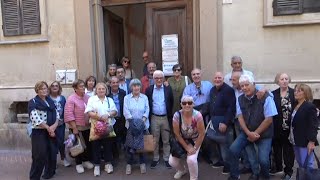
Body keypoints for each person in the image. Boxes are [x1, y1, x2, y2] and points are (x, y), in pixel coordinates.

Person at [228, 74, 278, 180]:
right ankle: (235, 176)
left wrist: (255, 133)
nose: (244, 88)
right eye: (242, 86)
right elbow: (240, 117)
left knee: (263, 160)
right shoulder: (240, 98)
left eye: (247, 85)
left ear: (254, 84)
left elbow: (269, 119)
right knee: (233, 150)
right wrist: (248, 133)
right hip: (247, 132)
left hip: (264, 134)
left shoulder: (266, 96)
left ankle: (264, 177)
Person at [205, 72, 235, 173]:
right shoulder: (213, 90)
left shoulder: (228, 90)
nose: (217, 79)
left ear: (223, 79)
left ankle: (228, 165)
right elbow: (210, 104)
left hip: (223, 121)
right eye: (216, 78)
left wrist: (225, 122)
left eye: (219, 78)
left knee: (225, 144)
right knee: (215, 141)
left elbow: (231, 108)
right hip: (214, 120)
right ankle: (221, 161)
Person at [169, 95, 205, 180]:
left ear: (193, 104)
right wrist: (186, 147)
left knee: (191, 160)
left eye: (190, 103)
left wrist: (195, 148)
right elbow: (177, 134)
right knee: (172, 162)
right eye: (184, 103)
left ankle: (194, 177)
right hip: (182, 140)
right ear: (181, 104)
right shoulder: (177, 115)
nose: (187, 105)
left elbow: (202, 134)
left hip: (195, 140)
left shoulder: (198, 115)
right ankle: (182, 170)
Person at [85, 82, 117, 176]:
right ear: (96, 90)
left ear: (106, 90)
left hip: (108, 126)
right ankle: (97, 166)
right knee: (96, 147)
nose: (101, 90)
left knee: (108, 146)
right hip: (96, 127)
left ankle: (108, 164)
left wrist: (108, 115)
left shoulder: (109, 100)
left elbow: (115, 111)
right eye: (99, 89)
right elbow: (89, 112)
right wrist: (99, 117)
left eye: (103, 89)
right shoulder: (92, 99)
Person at [28, 81, 58, 180]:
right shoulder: (33, 102)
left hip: (51, 130)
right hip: (39, 132)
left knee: (51, 153)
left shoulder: (50, 101)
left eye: (45, 88)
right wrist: (48, 128)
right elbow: (35, 118)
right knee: (39, 155)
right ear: (37, 90)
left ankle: (49, 173)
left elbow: (57, 114)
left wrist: (54, 125)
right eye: (41, 89)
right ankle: (34, 177)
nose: (44, 90)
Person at [145, 70, 174, 169]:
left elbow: (171, 101)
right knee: (155, 140)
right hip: (154, 117)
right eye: (156, 78)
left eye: (160, 78)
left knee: (166, 140)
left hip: (165, 117)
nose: (158, 80)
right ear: (153, 79)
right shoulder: (149, 90)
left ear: (163, 79)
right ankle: (156, 158)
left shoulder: (168, 89)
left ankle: (166, 159)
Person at [64, 79, 93, 174]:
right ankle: (78, 163)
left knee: (87, 145)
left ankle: (85, 161)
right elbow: (69, 114)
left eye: (83, 86)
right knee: (77, 146)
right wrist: (74, 128)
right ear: (75, 88)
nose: (83, 88)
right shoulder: (71, 99)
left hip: (87, 126)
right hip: (77, 127)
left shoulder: (87, 97)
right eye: (81, 86)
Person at [270, 73, 295, 180]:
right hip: (276, 127)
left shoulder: (294, 93)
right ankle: (278, 167)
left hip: (290, 128)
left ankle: (288, 171)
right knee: (276, 148)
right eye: (282, 79)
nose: (284, 81)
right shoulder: (273, 94)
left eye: (286, 79)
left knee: (288, 151)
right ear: (278, 81)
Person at [123, 79, 150, 175]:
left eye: (138, 85)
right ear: (131, 87)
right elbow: (126, 111)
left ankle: (142, 163)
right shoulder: (127, 98)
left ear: (140, 87)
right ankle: (129, 164)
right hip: (131, 126)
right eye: (134, 86)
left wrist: (142, 121)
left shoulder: (145, 97)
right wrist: (133, 123)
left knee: (141, 146)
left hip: (143, 125)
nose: (136, 88)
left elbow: (147, 109)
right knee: (130, 145)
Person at [289, 83, 318, 169]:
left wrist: (312, 141)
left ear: (306, 93)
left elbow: (313, 125)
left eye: (299, 91)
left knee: (308, 164)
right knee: (301, 163)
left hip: (305, 141)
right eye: (295, 90)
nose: (295, 92)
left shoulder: (309, 107)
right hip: (295, 139)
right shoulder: (295, 105)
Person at [49, 81, 70, 167]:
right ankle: (52, 160)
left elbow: (65, 110)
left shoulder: (62, 98)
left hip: (61, 124)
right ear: (50, 88)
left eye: (56, 86)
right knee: (51, 143)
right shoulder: (47, 98)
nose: (54, 87)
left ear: (59, 88)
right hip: (50, 125)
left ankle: (63, 158)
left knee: (61, 141)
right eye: (53, 86)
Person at [107, 76, 127, 158]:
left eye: (117, 82)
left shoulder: (123, 92)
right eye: (113, 82)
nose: (115, 84)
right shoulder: (107, 94)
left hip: (121, 118)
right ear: (110, 84)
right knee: (113, 138)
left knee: (123, 136)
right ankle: (115, 156)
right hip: (111, 119)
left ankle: (124, 155)